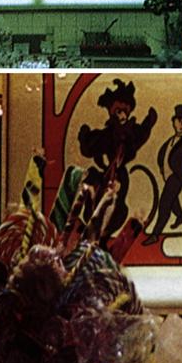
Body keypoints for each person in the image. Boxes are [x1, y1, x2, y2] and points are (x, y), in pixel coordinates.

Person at [78, 79, 158, 244]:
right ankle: (93, 234)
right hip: (107, 174)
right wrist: (84, 136)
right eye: (118, 111)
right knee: (98, 195)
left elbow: (140, 135)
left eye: (125, 111)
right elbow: (92, 146)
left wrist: (149, 122)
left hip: (120, 175)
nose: (122, 115)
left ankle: (103, 238)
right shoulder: (108, 133)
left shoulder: (131, 132)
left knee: (118, 208)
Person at [144, 104, 182, 245]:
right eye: (179, 121)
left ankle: (155, 234)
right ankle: (180, 216)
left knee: (165, 202)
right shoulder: (170, 141)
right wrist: (161, 167)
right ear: (173, 122)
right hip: (168, 176)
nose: (181, 125)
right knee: (172, 200)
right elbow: (162, 154)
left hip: (178, 177)